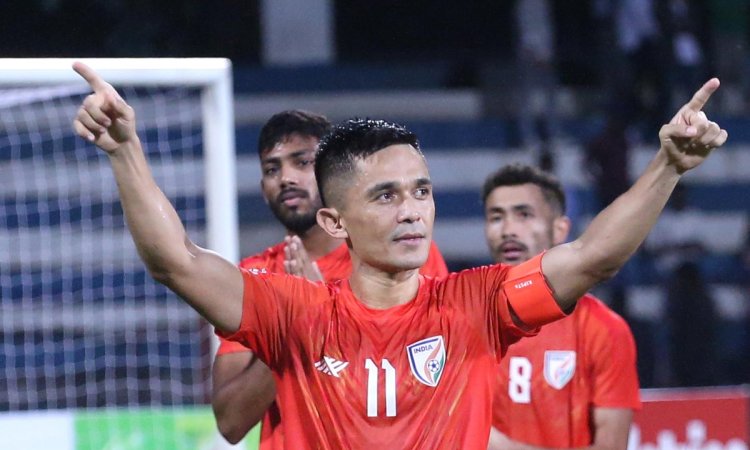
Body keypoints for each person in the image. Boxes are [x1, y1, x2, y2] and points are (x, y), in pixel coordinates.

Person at [72, 60, 726, 448]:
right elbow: (176, 262)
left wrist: (667, 166)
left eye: (421, 191)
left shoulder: (476, 304)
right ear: (334, 219)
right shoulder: (294, 311)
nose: (412, 210)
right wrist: (126, 152)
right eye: (386, 196)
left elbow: (591, 257)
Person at [211, 110, 448, 446]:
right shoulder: (254, 276)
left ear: (333, 177)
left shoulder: (399, 254)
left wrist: (322, 310)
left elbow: (428, 377)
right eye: (272, 169)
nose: (286, 178)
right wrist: (295, 327)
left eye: (301, 162)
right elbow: (231, 422)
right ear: (263, 189)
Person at [482, 164, 640, 450]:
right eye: (496, 217)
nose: (508, 230)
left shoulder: (604, 329)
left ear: (560, 230)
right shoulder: (460, 320)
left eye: (524, 215)